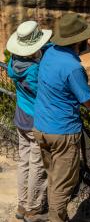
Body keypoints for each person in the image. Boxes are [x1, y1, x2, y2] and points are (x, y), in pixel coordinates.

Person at [33, 13, 90, 222]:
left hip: (41, 126)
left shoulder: (50, 51)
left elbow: (85, 45)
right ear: (77, 40)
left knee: (53, 176)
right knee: (63, 186)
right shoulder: (73, 68)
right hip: (62, 133)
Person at [6, 21, 52, 222]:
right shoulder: (34, 70)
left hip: (21, 116)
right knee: (37, 164)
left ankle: (22, 204)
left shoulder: (13, 61)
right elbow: (45, 91)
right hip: (36, 120)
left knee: (24, 162)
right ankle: (34, 209)